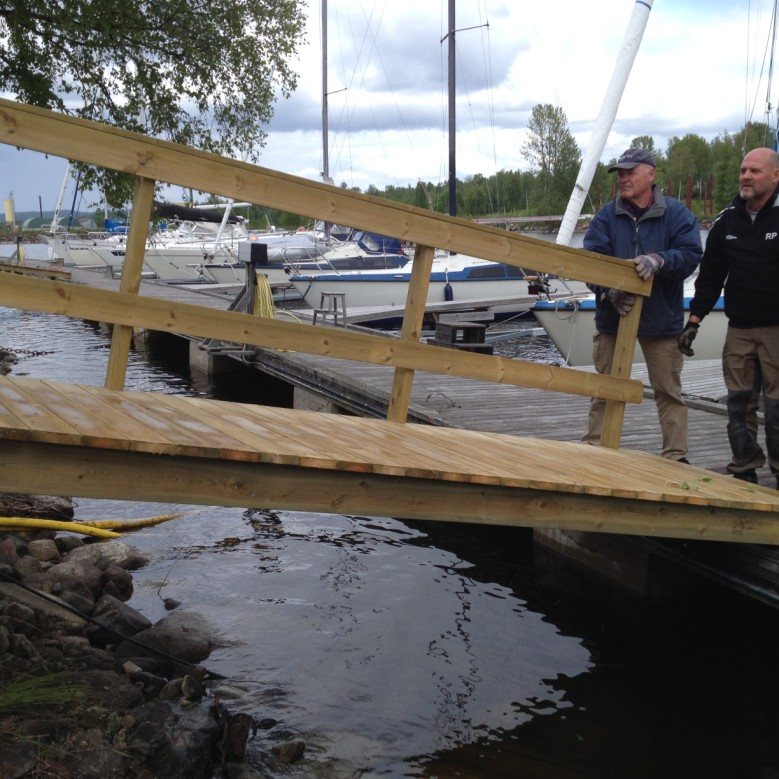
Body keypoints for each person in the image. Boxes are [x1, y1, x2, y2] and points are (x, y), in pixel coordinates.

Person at [582, 148, 702, 461]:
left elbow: (690, 255)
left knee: (668, 391)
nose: (623, 178)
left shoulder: (676, 214)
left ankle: (675, 456)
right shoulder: (606, 216)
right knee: (604, 389)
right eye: (620, 173)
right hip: (613, 318)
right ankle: (595, 451)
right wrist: (609, 290)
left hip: (661, 321)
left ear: (651, 174)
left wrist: (660, 259)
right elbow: (590, 261)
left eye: (630, 172)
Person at [678, 147, 779, 486]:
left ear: (775, 176)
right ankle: (745, 466)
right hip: (739, 329)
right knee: (739, 403)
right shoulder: (727, 221)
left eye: (755, 171)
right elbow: (709, 278)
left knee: (778, 408)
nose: (746, 177)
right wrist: (694, 322)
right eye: (742, 171)